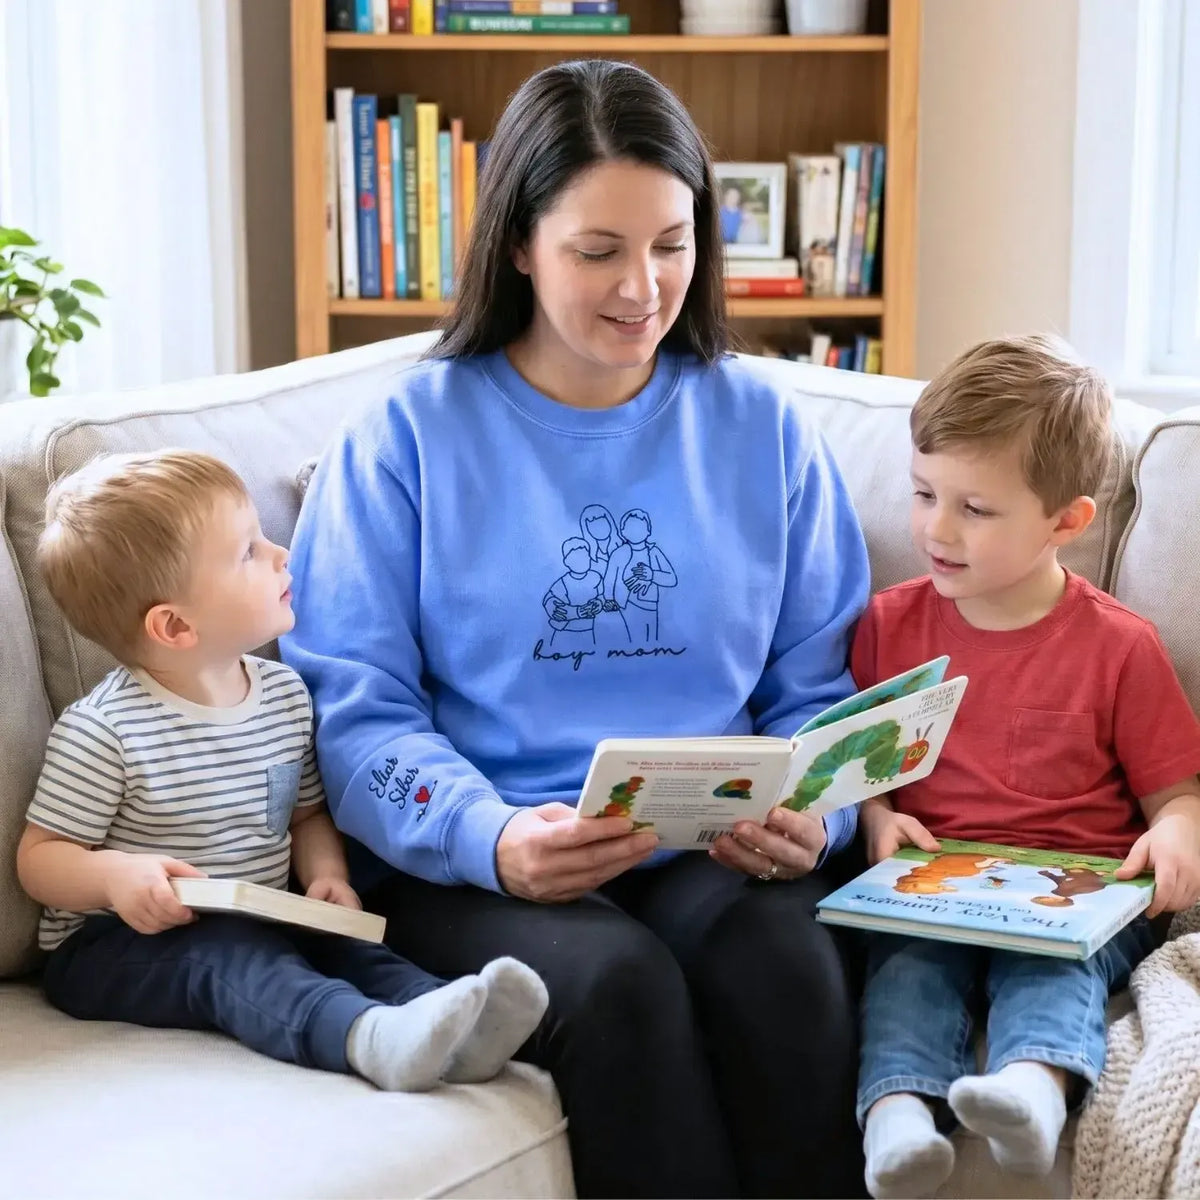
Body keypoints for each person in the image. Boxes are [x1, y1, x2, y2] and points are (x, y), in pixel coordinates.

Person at [282, 59, 871, 1198]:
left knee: (789, 965)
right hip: (477, 857)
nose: (643, 286)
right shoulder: (402, 440)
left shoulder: (764, 429)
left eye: (672, 241)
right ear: (517, 244)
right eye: (597, 250)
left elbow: (817, 689)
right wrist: (494, 837)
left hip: (710, 843)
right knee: (617, 987)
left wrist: (819, 810)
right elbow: (355, 719)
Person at [17, 450, 547, 1093]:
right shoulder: (106, 733)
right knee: (236, 959)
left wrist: (324, 875)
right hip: (113, 947)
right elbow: (41, 858)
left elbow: (305, 814)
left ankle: (450, 1024)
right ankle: (364, 1038)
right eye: (248, 552)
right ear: (175, 625)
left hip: (259, 910)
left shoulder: (284, 697)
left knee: (343, 944)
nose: (280, 554)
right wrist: (116, 876)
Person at [850, 335, 1200, 1199]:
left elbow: (1175, 792)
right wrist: (876, 816)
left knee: (1051, 973)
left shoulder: (1119, 647)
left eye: (975, 508)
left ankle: (1032, 1096)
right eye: (925, 494)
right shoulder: (890, 627)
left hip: (1072, 895)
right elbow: (861, 771)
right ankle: (897, 1121)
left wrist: (1179, 834)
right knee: (907, 970)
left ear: (1067, 522)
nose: (934, 528)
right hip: (933, 884)